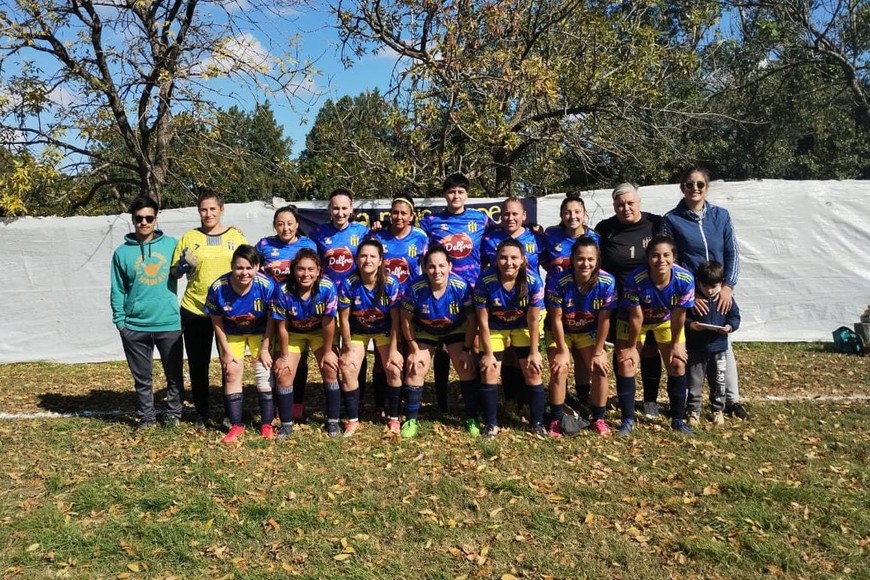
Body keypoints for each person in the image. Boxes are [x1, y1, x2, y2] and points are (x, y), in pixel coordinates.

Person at [661, 167, 748, 420]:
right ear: (682, 187)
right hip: (692, 294)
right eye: (689, 184)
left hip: (719, 291)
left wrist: (728, 287)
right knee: (694, 346)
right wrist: (690, 294)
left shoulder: (721, 216)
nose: (695, 189)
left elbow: (732, 251)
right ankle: (691, 402)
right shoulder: (671, 219)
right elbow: (670, 260)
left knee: (722, 344)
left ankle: (730, 399)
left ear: (707, 188)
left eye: (700, 184)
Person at [172, 190, 248, 429]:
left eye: (212, 209)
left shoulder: (236, 237)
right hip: (196, 309)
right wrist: (182, 266)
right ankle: (202, 414)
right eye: (203, 210)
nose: (208, 214)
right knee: (198, 364)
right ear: (199, 212)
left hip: (228, 312)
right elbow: (174, 272)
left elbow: (250, 265)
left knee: (230, 362)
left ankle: (230, 413)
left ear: (221, 210)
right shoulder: (189, 237)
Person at [110, 196, 183, 431]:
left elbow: (196, 253)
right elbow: (117, 289)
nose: (144, 222)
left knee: (174, 375)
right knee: (142, 379)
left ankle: (173, 414)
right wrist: (121, 322)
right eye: (139, 218)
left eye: (149, 218)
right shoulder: (121, 253)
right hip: (135, 326)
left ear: (156, 219)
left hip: (168, 323)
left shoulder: (172, 244)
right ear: (133, 220)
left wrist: (232, 232)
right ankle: (147, 418)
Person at [420, 173, 492, 412]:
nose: (456, 196)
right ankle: (442, 400)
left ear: (467, 194)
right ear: (445, 195)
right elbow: (408, 230)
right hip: (441, 291)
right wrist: (383, 225)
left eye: (460, 191)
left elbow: (502, 235)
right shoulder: (431, 222)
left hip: (471, 293)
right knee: (442, 345)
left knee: (474, 345)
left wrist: (532, 227)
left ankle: (479, 399)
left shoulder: (481, 219)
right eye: (451, 192)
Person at [595, 183, 665, 420]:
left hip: (652, 300)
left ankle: (650, 400)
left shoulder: (656, 224)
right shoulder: (605, 229)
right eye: (620, 204)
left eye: (630, 203)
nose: (625, 208)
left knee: (650, 350)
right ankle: (626, 397)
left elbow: (668, 256)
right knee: (623, 351)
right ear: (614, 206)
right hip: (619, 303)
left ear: (639, 202)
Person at [614, 235, 695, 436]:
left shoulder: (685, 279)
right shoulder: (634, 279)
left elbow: (679, 315)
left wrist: (676, 344)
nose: (661, 260)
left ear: (674, 257)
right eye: (655, 255)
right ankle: (627, 420)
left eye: (666, 255)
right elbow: (636, 316)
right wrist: (632, 347)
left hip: (665, 320)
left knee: (677, 362)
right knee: (626, 362)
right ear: (648, 258)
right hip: (633, 321)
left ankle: (677, 419)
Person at [400, 246, 483, 436]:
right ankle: (411, 419)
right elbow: (405, 320)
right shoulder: (415, 288)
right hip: (426, 329)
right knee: (416, 366)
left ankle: (471, 417)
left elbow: (472, 321)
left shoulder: (461, 287)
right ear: (424, 268)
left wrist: (466, 349)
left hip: (455, 328)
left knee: (465, 366)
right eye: (431, 267)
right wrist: (413, 348)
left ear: (450, 266)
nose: (437, 271)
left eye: (441, 266)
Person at [545, 236, 618, 437]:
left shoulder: (607, 282)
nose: (585, 263)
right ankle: (556, 419)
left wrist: (598, 351)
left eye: (590, 259)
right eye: (580, 259)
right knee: (560, 369)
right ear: (573, 259)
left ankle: (599, 418)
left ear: (597, 260)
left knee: (600, 368)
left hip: (588, 332)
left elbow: (605, 320)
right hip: (561, 332)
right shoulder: (558, 281)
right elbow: (556, 319)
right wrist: (561, 350)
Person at [205, 245, 276, 443]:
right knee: (231, 372)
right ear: (232, 267)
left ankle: (267, 424)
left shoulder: (267, 285)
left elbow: (272, 318)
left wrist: (264, 348)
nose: (244, 272)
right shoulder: (219, 287)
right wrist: (225, 350)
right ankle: (236, 425)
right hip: (232, 333)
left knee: (264, 372)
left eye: (249, 267)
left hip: (260, 332)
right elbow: (216, 320)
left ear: (257, 267)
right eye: (239, 268)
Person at [474, 238, 545, 436]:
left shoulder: (533, 281)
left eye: (514, 258)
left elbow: (533, 320)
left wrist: (534, 351)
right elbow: (483, 320)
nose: (509, 262)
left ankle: (537, 423)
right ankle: (491, 423)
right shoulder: (485, 280)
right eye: (503, 258)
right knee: (489, 370)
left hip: (521, 326)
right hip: (495, 327)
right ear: (496, 259)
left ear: (522, 259)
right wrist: (487, 353)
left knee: (533, 369)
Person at [368, 194, 429, 419]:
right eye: (395, 212)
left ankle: (402, 397)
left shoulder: (421, 237)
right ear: (389, 214)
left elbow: (427, 266)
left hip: (410, 302)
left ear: (411, 216)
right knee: (383, 355)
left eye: (404, 213)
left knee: (404, 348)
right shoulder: (378, 236)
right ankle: (380, 403)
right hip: (382, 301)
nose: (399, 217)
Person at [481, 197, 545, 409]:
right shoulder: (490, 239)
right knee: (506, 353)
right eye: (506, 214)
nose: (510, 218)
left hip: (529, 304)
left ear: (524, 216)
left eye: (515, 214)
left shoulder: (537, 238)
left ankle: (525, 401)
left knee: (524, 354)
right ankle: (509, 397)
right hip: (500, 304)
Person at [255, 205, 318, 422]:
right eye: (280, 223)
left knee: (298, 360)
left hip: (298, 310)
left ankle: (297, 404)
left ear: (297, 225)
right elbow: (251, 266)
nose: (286, 228)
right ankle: (273, 404)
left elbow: (315, 273)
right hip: (271, 310)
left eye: (290, 223)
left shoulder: (308, 245)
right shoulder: (264, 245)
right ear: (274, 225)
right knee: (272, 358)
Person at [270, 249, 341, 437]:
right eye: (301, 269)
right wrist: (284, 356)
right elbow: (282, 327)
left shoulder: (327, 287)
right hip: (293, 333)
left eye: (311, 269)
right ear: (294, 270)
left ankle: (333, 422)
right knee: (284, 373)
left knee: (330, 367)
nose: (305, 274)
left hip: (319, 332)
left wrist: (328, 352)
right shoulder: (283, 289)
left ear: (318, 271)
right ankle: (286, 424)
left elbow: (329, 322)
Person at [337, 239, 405, 436]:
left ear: (381, 260)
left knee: (393, 368)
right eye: (364, 256)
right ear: (357, 259)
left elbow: (395, 320)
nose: (368, 260)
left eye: (372, 256)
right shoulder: (349, 283)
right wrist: (347, 348)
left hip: (384, 331)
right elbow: (344, 320)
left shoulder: (391, 283)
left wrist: (394, 349)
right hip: (358, 332)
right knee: (348, 369)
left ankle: (393, 418)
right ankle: (352, 420)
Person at [542, 193, 601, 414]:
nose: (572, 216)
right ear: (561, 215)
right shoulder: (551, 234)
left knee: (581, 353)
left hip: (584, 302)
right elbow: (542, 259)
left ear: (585, 214)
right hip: (557, 299)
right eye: (567, 212)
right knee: (561, 354)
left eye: (577, 212)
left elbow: (597, 266)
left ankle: (582, 397)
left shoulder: (594, 238)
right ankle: (562, 399)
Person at [685, 260, 741, 426]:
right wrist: (691, 325)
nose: (709, 291)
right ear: (698, 282)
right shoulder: (692, 299)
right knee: (694, 382)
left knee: (719, 381)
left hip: (719, 348)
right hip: (695, 348)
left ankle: (718, 409)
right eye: (705, 286)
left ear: (721, 283)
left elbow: (735, 317)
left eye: (714, 286)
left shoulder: (726, 299)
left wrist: (729, 327)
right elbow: (681, 318)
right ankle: (693, 411)